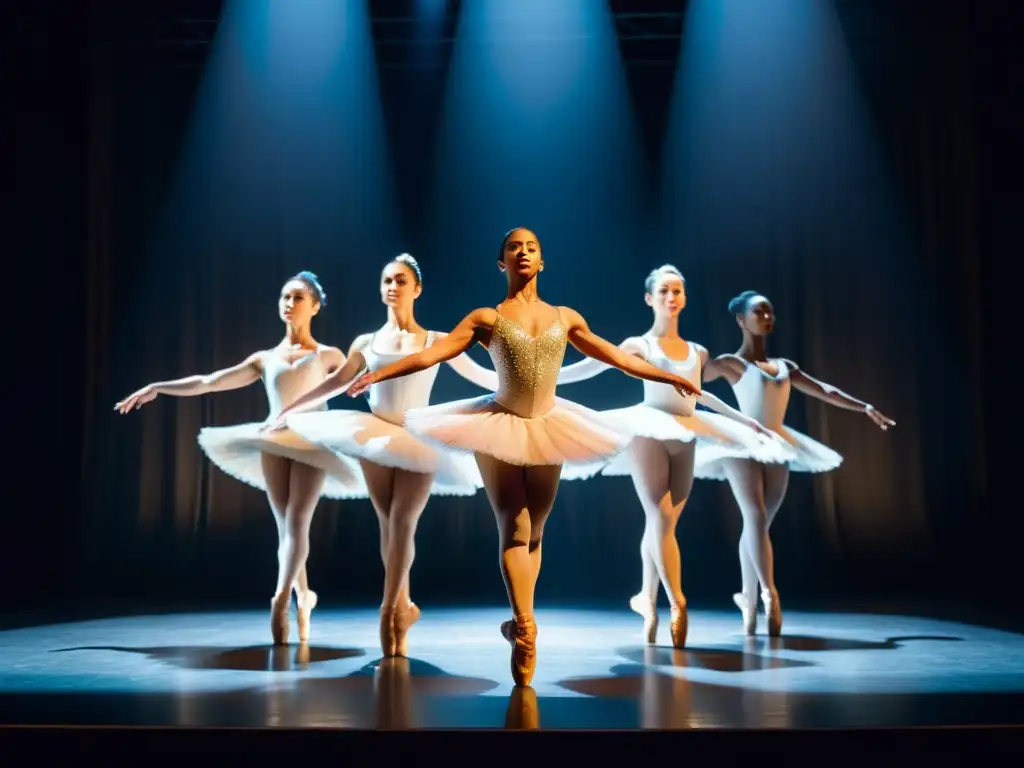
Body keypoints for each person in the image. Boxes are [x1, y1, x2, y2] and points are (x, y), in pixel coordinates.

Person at [344, 228, 703, 686]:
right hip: (499, 423)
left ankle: (520, 624)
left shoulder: (565, 317)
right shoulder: (486, 318)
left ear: (542, 261)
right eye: (514, 247)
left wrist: (669, 377)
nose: (524, 252)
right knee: (514, 526)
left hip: (549, 426)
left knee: (535, 533)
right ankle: (528, 629)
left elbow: (614, 355)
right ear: (502, 263)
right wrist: (378, 376)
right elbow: (433, 354)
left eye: (531, 247)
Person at [264, 254, 499, 657]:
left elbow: (482, 376)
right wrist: (291, 409)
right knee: (387, 524)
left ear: (417, 289)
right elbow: (337, 381)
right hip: (374, 436)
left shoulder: (436, 340)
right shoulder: (365, 343)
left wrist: (534, 387)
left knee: (405, 522)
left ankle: (389, 609)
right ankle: (403, 608)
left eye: (401, 281)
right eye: (387, 280)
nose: (392, 286)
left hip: (417, 434)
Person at [114, 271, 360, 646]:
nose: (288, 303)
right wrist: (157, 388)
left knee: (297, 521)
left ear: (314, 306)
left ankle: (280, 601)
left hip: (312, 441)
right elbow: (210, 380)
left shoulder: (329, 355)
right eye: (284, 297)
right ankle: (304, 598)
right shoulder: (265, 359)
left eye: (296, 297)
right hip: (273, 440)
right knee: (286, 529)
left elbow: (352, 380)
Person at [553, 265, 792, 647]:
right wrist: (546, 379)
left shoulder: (697, 351)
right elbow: (593, 364)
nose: (672, 297)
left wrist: (745, 421)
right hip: (648, 430)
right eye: (664, 291)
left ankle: (646, 599)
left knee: (664, 526)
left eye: (678, 291)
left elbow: (702, 395)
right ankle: (677, 603)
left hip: (687, 433)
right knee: (659, 517)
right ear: (650, 298)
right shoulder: (639, 345)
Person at [701, 290, 895, 636]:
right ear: (740, 320)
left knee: (758, 526)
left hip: (778, 443)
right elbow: (692, 377)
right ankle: (769, 595)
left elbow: (826, 391)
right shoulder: (731, 362)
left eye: (770, 312)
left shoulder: (785, 367)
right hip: (741, 442)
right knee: (755, 517)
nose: (767, 317)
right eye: (759, 312)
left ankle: (747, 598)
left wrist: (863, 407)